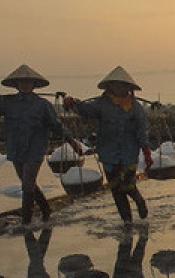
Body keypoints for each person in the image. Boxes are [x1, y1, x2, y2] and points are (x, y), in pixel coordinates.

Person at [0, 64, 77, 225]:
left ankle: (26, 222)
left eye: (28, 82)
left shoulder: (43, 105)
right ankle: (45, 209)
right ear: (16, 85)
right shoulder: (7, 102)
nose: (25, 85)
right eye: (22, 82)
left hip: (35, 149)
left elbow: (56, 126)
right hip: (16, 148)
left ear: (34, 85)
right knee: (27, 183)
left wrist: (71, 141)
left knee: (27, 183)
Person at [64, 66, 154, 223]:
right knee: (115, 189)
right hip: (108, 153)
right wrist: (73, 103)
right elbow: (85, 110)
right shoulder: (101, 104)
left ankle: (139, 200)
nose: (120, 88)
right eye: (116, 85)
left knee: (126, 184)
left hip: (128, 153)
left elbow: (141, 131)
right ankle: (127, 221)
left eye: (123, 85)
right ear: (110, 87)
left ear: (128, 88)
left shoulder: (135, 108)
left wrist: (146, 151)